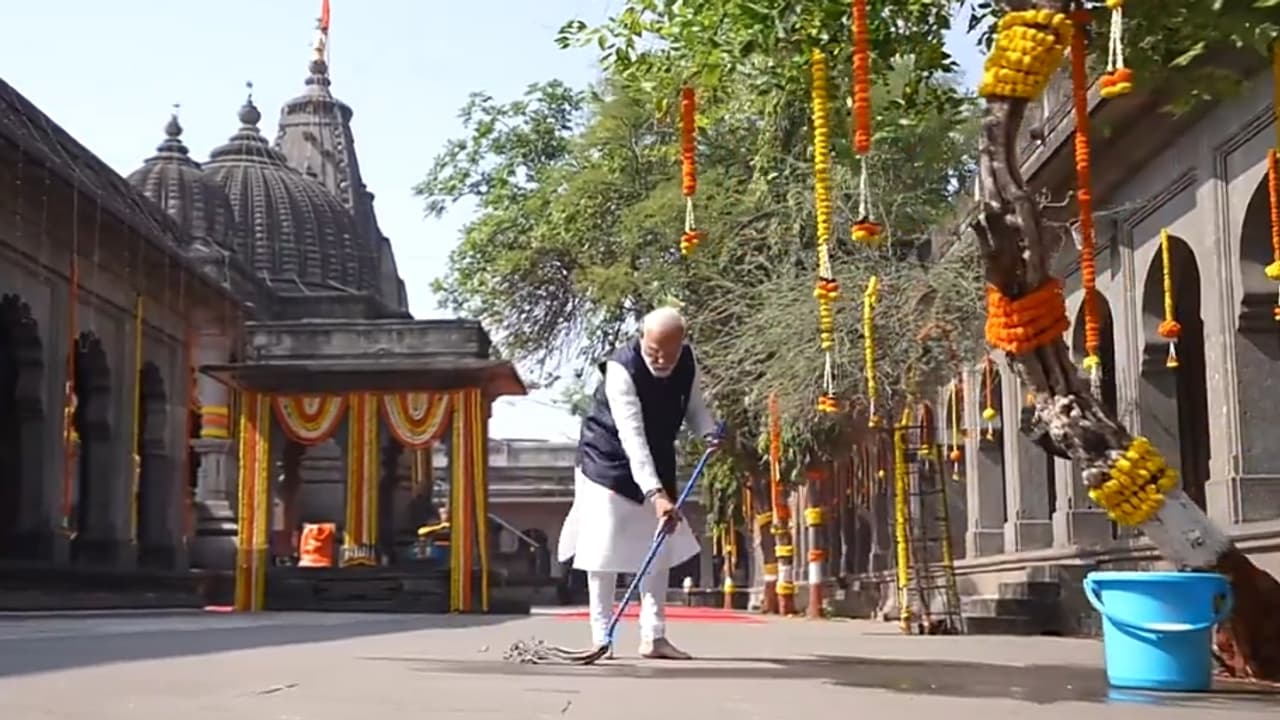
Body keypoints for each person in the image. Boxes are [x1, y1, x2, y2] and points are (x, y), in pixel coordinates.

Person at [557, 306, 718, 660]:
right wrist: (656, 494)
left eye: (668, 353)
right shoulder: (621, 369)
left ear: (681, 344)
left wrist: (708, 431)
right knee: (603, 548)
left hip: (657, 454)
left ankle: (654, 636)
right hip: (607, 459)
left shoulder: (687, 361)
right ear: (641, 338)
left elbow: (694, 407)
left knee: (658, 545)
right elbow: (632, 437)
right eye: (652, 350)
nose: (660, 359)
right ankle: (602, 637)